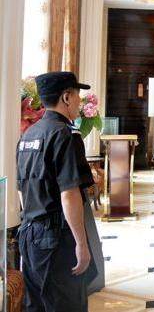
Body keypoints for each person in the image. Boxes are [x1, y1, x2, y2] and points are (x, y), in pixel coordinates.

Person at [16, 72, 99, 311]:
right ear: (66, 97)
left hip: (29, 234)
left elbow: (22, 189)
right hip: (56, 239)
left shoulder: (28, 135)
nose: (79, 102)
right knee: (67, 303)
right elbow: (69, 194)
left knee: (37, 305)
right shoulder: (65, 134)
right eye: (77, 96)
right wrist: (81, 244)